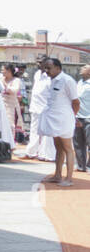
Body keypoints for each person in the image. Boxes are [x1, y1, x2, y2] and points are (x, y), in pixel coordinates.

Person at [34, 57, 80, 186]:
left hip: (64, 118)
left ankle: (69, 178)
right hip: (53, 118)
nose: (46, 71)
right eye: (45, 68)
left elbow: (76, 102)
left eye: (49, 68)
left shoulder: (67, 80)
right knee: (58, 147)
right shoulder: (50, 81)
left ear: (58, 68)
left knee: (67, 148)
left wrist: (73, 117)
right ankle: (58, 175)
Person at [25, 57, 56, 162]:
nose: (38, 64)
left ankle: (47, 154)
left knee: (47, 133)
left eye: (40, 62)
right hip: (35, 107)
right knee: (34, 131)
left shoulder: (50, 77)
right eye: (37, 62)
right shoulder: (37, 74)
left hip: (45, 108)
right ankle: (31, 152)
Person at [1, 64, 23, 150]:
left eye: (3, 70)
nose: (2, 72)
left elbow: (14, 91)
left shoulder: (16, 80)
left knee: (10, 124)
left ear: (9, 71)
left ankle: (10, 144)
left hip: (11, 105)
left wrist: (5, 86)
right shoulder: (1, 79)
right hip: (1, 104)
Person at [75, 65, 90, 172]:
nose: (81, 68)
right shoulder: (79, 83)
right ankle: (81, 166)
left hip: (88, 117)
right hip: (77, 117)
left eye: (84, 67)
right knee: (78, 143)